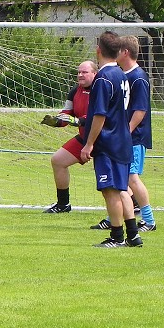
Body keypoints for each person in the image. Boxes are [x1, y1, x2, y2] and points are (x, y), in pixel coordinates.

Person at [81, 31, 142, 248]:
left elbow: (100, 115)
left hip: (108, 142)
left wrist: (89, 144)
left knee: (110, 190)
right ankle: (133, 235)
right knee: (122, 188)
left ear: (98, 50)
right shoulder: (121, 74)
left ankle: (116, 237)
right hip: (123, 140)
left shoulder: (103, 79)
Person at [90, 35, 156, 231]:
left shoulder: (138, 77)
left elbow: (140, 110)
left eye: (119, 50)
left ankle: (149, 220)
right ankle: (115, 217)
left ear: (124, 52)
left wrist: (124, 132)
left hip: (133, 137)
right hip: (123, 138)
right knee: (120, 180)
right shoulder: (122, 75)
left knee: (131, 179)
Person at [41, 60, 98, 213]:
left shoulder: (101, 89)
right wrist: (56, 121)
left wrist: (79, 121)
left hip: (104, 139)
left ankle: (134, 203)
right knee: (58, 160)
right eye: (79, 72)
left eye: (84, 72)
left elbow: (98, 116)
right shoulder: (75, 91)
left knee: (116, 174)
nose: (80, 75)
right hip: (84, 138)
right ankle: (63, 204)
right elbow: (67, 113)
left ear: (95, 73)